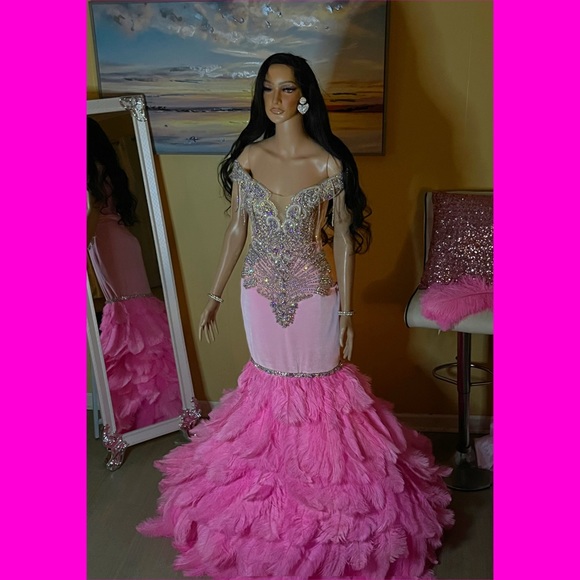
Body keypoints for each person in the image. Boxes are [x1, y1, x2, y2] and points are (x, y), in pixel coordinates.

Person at [137, 53, 453, 578]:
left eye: (285, 89)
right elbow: (237, 229)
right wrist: (215, 295)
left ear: (304, 95)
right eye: (267, 88)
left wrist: (347, 311)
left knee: (324, 396)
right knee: (267, 395)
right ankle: (270, 514)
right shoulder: (249, 158)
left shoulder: (328, 164)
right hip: (259, 294)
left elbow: (345, 239)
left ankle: (328, 515)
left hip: (315, 296)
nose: (275, 99)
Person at [87, 117, 183, 434]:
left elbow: (91, 212)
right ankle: (149, 405)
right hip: (111, 242)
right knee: (128, 313)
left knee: (131, 313)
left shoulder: (94, 170)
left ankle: (159, 407)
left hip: (108, 242)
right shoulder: (104, 168)